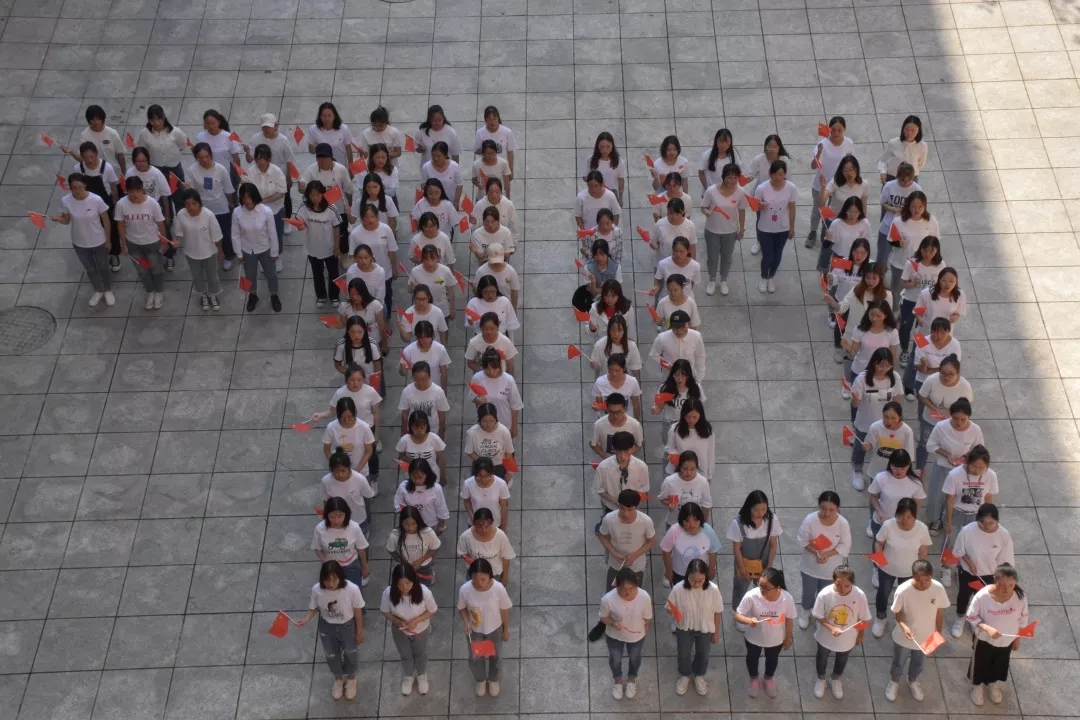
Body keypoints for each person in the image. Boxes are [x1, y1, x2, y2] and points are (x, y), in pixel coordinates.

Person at [295, 561, 364, 701]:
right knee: (331, 654)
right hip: (327, 626)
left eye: (334, 579)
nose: (330, 584)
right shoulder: (317, 590)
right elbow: (313, 608)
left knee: (350, 652)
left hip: (347, 626)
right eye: (327, 580)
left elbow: (358, 613)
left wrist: (359, 631)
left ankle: (351, 678)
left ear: (340, 577)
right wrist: (305, 619)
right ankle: (338, 679)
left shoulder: (352, 589)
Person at [886, 559, 948, 703]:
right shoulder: (903, 590)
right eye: (919, 580)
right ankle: (894, 682)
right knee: (898, 662)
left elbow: (939, 612)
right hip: (904, 636)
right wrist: (904, 626)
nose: (923, 584)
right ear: (913, 576)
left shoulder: (938, 588)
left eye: (927, 580)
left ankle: (912, 680)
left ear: (931, 576)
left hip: (927, 636)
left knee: (919, 663)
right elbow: (896, 612)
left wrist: (938, 634)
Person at [965, 564, 1028, 706]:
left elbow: (1022, 619)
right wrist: (986, 628)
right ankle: (976, 686)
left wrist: (1017, 639)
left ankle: (992, 683)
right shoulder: (982, 596)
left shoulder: (1020, 597)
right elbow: (971, 616)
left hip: (1007, 640)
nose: (1006, 590)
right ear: (995, 581)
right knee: (980, 663)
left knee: (999, 664)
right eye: (1002, 585)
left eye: (1011, 585)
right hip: (984, 640)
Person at [950, 503, 1015, 638]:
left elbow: (1006, 561)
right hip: (968, 572)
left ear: (997, 520)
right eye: (982, 522)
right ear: (977, 519)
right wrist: (969, 562)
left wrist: (1000, 579)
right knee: (963, 596)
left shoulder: (1003, 535)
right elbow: (958, 550)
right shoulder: (967, 531)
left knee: (983, 599)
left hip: (990, 575)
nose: (987, 526)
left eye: (991, 523)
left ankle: (975, 620)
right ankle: (960, 618)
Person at [733, 567, 796, 699]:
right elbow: (737, 615)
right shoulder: (752, 595)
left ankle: (768, 679)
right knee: (752, 658)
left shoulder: (787, 598)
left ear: (777, 588)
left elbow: (789, 619)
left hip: (776, 639)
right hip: (753, 638)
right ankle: (754, 679)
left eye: (766, 588)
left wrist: (788, 637)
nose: (762, 590)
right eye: (760, 586)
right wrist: (748, 620)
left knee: (772, 659)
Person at [53, 173, 114, 307]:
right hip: (79, 242)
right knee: (90, 268)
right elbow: (67, 220)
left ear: (85, 185)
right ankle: (98, 290)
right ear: (70, 188)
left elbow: (106, 221)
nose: (77, 191)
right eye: (74, 188)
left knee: (103, 267)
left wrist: (108, 240)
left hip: (98, 240)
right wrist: (58, 219)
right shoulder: (66, 201)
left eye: (80, 187)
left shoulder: (96, 200)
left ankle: (108, 290)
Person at [811, 565, 872, 699]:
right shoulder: (825, 594)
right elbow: (818, 615)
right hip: (825, 636)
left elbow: (863, 618)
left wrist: (860, 635)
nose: (842, 589)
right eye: (838, 584)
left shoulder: (860, 595)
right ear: (833, 580)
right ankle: (821, 679)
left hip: (848, 638)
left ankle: (835, 679)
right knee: (822, 657)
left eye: (846, 586)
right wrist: (831, 627)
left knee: (842, 659)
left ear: (852, 583)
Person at [872, 497, 930, 637]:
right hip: (887, 569)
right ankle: (880, 618)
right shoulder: (888, 525)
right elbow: (879, 542)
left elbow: (923, 551)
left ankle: (901, 620)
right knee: (883, 594)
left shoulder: (922, 529)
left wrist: (922, 571)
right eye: (900, 516)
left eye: (909, 517)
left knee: (906, 597)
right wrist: (878, 557)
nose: (904, 520)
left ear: (914, 516)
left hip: (909, 571)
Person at [942, 445, 999, 586]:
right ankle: (946, 568)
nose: (977, 471)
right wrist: (948, 521)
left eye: (982, 467)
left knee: (971, 544)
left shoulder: (990, 476)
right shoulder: (955, 475)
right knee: (951, 542)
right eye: (974, 466)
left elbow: (989, 497)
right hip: (957, 512)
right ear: (967, 461)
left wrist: (990, 519)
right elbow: (949, 500)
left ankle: (961, 568)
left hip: (977, 515)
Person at [925, 398, 984, 534]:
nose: (959, 423)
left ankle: (952, 519)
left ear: (969, 417)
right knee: (937, 494)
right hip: (943, 466)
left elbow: (979, 448)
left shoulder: (975, 430)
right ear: (950, 415)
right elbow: (931, 445)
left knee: (957, 496)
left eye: (963, 419)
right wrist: (946, 454)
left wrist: (966, 457)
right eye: (955, 418)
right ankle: (935, 520)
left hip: (963, 469)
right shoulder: (941, 427)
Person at [666, 557, 723, 696]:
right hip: (684, 627)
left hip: (705, 627)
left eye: (700, 580)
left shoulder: (713, 590)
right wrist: (673, 611)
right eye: (692, 580)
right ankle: (685, 675)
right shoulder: (678, 589)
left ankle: (699, 675)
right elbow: (669, 607)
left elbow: (717, 611)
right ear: (687, 576)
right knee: (683, 653)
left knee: (703, 653)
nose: (696, 584)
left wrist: (716, 631)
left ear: (706, 577)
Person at [796, 491, 852, 629]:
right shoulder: (810, 520)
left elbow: (845, 545)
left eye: (831, 510)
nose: (826, 513)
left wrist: (828, 553)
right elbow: (802, 540)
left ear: (837, 508)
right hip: (810, 566)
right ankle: (806, 611)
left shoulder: (842, 523)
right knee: (808, 592)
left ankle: (820, 615)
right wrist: (815, 552)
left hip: (832, 568)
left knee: (825, 593)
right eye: (823, 509)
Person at [458, 557, 513, 697]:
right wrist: (466, 621)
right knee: (477, 657)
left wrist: (505, 630)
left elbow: (504, 610)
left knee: (496, 656)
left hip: (494, 629)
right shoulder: (465, 590)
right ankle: (481, 680)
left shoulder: (498, 589)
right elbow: (462, 608)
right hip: (475, 630)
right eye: (475, 579)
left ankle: (493, 679)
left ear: (490, 575)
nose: (479, 583)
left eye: (483, 579)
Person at [381, 563, 438, 696]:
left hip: (421, 630)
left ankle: (421, 675)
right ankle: (409, 675)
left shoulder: (424, 592)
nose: (405, 587)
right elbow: (385, 611)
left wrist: (417, 620)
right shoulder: (388, 593)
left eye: (408, 583)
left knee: (421, 653)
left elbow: (432, 610)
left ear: (414, 580)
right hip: (400, 630)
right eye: (400, 584)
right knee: (405, 654)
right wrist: (397, 621)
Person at [849, 348, 903, 486]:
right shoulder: (862, 379)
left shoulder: (895, 377)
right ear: (874, 363)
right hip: (865, 422)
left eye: (887, 365)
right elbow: (855, 405)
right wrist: (855, 398)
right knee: (860, 447)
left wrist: (896, 421)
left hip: (887, 423)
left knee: (883, 449)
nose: (883, 369)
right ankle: (857, 470)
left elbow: (897, 400)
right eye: (880, 365)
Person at [824, 262, 892, 370]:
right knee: (851, 368)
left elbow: (887, 318)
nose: (870, 281)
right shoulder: (857, 289)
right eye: (868, 278)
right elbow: (842, 307)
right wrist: (834, 303)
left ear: (881, 277)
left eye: (874, 278)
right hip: (853, 337)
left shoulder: (887, 295)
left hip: (874, 341)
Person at [598, 567, 652, 700]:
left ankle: (632, 679)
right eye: (623, 589)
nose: (627, 592)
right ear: (617, 586)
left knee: (634, 657)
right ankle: (618, 681)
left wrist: (646, 627)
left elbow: (647, 617)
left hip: (636, 636)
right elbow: (603, 617)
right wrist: (612, 623)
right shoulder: (608, 599)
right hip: (614, 636)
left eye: (631, 588)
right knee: (615, 659)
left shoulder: (644, 597)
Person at [114, 176, 168, 310]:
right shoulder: (121, 204)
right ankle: (150, 292)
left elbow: (160, 223)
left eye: (137, 191)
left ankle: (159, 292)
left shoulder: (152, 204)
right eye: (131, 192)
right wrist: (123, 244)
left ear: (142, 190)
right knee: (142, 271)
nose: (134, 195)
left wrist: (164, 242)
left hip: (152, 242)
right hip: (133, 244)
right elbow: (120, 225)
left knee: (156, 269)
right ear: (126, 191)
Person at [728, 490, 782, 618]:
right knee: (740, 589)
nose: (761, 513)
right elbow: (737, 548)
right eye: (756, 510)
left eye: (764, 509)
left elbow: (773, 544)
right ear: (749, 507)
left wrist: (769, 565)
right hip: (744, 562)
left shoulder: (772, 520)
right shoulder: (738, 523)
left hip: (763, 562)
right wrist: (742, 569)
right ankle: (739, 614)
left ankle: (760, 611)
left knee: (764, 588)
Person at [185, 142, 236, 269]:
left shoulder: (221, 169)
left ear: (211, 155)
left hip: (221, 207)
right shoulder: (192, 170)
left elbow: (228, 189)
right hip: (202, 208)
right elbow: (191, 191)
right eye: (200, 158)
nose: (204, 160)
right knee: (206, 234)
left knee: (225, 233)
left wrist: (231, 205)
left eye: (206, 157)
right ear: (196, 157)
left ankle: (229, 256)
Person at [916, 355, 971, 471]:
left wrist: (951, 413)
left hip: (952, 423)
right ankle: (919, 468)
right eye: (943, 373)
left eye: (951, 374)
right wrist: (934, 408)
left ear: (958, 373)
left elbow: (966, 406)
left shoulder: (965, 386)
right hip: (930, 419)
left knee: (949, 446)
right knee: (924, 444)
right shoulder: (931, 380)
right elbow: (922, 396)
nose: (946, 377)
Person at [300, 143, 355, 260]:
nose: (322, 160)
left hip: (339, 208)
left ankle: (344, 253)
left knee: (342, 233)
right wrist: (301, 187)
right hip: (319, 209)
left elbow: (348, 189)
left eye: (325, 157)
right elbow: (303, 188)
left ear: (331, 157)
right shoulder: (311, 170)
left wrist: (349, 205)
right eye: (319, 157)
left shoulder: (341, 169)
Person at [700, 162, 747, 295]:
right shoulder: (711, 191)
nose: (732, 181)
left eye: (735, 178)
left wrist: (741, 229)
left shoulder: (741, 192)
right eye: (729, 177)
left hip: (730, 232)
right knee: (712, 257)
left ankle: (723, 280)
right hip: (712, 230)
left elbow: (742, 211)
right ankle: (712, 279)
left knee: (727, 257)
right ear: (723, 177)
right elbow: (703, 207)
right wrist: (706, 212)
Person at [752, 159, 799, 293]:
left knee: (777, 254)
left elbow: (792, 208)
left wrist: (792, 228)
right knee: (767, 255)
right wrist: (760, 206)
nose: (777, 177)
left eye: (781, 174)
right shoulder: (762, 188)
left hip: (782, 228)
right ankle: (763, 276)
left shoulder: (791, 188)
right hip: (765, 228)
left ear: (785, 174)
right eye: (775, 174)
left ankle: (771, 276)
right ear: (769, 174)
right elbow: (754, 207)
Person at [74, 141, 121, 270]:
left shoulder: (107, 168)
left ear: (97, 154)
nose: (89, 160)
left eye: (92, 157)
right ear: (81, 157)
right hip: (87, 204)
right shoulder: (78, 168)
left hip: (106, 203)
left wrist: (116, 204)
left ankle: (114, 255)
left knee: (111, 229)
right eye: (86, 158)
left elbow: (113, 187)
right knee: (94, 229)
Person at [808, 116, 854, 248]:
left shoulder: (849, 143)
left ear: (844, 129)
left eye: (839, 130)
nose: (836, 133)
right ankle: (812, 232)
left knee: (831, 212)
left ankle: (826, 234)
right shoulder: (822, 144)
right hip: (820, 184)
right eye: (833, 130)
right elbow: (813, 166)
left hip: (838, 185)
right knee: (817, 211)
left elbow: (850, 162)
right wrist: (819, 152)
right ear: (829, 129)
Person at [173, 189, 222, 311]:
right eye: (187, 204)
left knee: (212, 275)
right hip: (191, 252)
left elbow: (217, 235)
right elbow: (179, 232)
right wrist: (177, 241)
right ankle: (203, 295)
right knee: (197, 276)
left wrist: (220, 251)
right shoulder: (181, 215)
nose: (191, 207)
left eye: (194, 204)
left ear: (200, 203)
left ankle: (213, 294)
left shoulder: (209, 215)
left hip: (209, 252)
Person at [596, 488, 656, 588]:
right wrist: (614, 553)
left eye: (630, 510)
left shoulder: (646, 521)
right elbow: (602, 536)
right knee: (612, 591)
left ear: (636, 507)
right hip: (615, 564)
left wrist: (635, 555)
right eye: (622, 508)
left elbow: (652, 541)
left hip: (637, 565)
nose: (625, 513)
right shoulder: (609, 519)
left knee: (634, 592)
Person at [295, 180, 342, 308]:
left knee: (333, 273)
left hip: (329, 248)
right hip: (313, 248)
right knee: (317, 273)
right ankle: (321, 296)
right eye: (312, 195)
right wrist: (300, 226)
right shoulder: (304, 208)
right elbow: (300, 223)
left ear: (323, 194)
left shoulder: (331, 208)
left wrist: (337, 247)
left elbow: (337, 227)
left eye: (317, 194)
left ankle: (334, 296)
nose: (315, 198)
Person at [593, 431, 650, 528]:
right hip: (611, 506)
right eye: (619, 451)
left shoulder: (641, 467)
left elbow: (644, 488)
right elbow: (599, 489)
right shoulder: (603, 467)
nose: (622, 456)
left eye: (626, 451)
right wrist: (616, 502)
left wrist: (630, 504)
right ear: (614, 449)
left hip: (632, 507)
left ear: (633, 449)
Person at [321, 401, 376, 502]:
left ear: (355, 413)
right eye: (342, 417)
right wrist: (336, 465)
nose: (346, 420)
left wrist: (357, 470)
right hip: (339, 472)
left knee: (363, 501)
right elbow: (326, 449)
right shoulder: (331, 427)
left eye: (350, 417)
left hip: (361, 470)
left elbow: (369, 451)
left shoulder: (364, 427)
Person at [246, 144, 288, 271]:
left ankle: (277, 256)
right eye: (258, 159)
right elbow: (247, 189)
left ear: (269, 159)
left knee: (276, 235)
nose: (261, 162)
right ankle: (263, 258)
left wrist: (263, 201)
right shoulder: (250, 172)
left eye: (264, 159)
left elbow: (281, 191)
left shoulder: (276, 171)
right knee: (261, 236)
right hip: (256, 211)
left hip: (275, 210)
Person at [746, 134, 790, 255]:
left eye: (774, 146)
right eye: (769, 146)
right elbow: (751, 175)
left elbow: (787, 178)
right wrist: (745, 179)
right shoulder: (758, 159)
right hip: (761, 195)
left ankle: (773, 239)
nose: (771, 149)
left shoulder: (784, 160)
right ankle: (759, 241)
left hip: (778, 195)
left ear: (779, 147)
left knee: (775, 218)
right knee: (760, 219)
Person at [312, 496, 370, 588]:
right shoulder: (320, 529)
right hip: (331, 568)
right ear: (327, 515)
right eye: (332, 517)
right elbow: (317, 548)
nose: (336, 520)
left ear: (346, 514)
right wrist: (325, 562)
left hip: (351, 566)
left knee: (354, 590)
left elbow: (361, 548)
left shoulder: (354, 527)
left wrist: (364, 567)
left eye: (340, 516)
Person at [660, 502, 721, 587]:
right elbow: (666, 551)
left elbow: (713, 551)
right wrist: (669, 572)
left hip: (700, 574)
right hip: (680, 574)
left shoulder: (708, 531)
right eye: (687, 521)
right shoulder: (674, 530)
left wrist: (710, 571)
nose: (692, 525)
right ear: (682, 520)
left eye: (695, 520)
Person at [469, 349, 524, 439]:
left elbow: (515, 406)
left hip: (504, 424)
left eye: (494, 368)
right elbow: (472, 396)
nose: (491, 372)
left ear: (499, 365)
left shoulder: (508, 380)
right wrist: (477, 400)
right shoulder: (477, 378)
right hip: (485, 425)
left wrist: (514, 427)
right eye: (487, 369)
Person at [876, 162, 921, 273]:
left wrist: (906, 211)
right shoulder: (889, 186)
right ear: (897, 176)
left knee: (902, 259)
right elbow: (883, 202)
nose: (905, 183)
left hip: (906, 229)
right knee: (882, 255)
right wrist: (891, 208)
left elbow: (920, 209)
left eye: (908, 180)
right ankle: (880, 275)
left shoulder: (917, 189)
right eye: (902, 180)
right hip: (888, 225)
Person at [860, 400, 915, 488]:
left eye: (893, 418)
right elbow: (870, 445)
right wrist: (867, 446)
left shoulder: (907, 431)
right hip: (877, 470)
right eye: (886, 417)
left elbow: (909, 456)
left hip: (895, 474)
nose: (889, 421)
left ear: (900, 417)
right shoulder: (875, 427)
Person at [457, 507, 516, 584]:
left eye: (487, 526)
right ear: (474, 523)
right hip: (475, 574)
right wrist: (474, 563)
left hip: (495, 574)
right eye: (480, 526)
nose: (483, 530)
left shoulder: (500, 536)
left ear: (491, 523)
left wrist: (505, 577)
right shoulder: (465, 537)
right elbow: (462, 553)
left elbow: (506, 557)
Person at [386, 506, 440, 585]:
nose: (410, 528)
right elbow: (391, 550)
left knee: (424, 587)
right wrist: (403, 562)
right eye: (406, 524)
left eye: (413, 524)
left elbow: (435, 548)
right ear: (401, 522)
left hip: (424, 566)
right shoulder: (395, 534)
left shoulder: (427, 532)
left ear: (418, 521)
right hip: (404, 568)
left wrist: (420, 561)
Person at [657, 452, 713, 527]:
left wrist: (701, 525)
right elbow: (662, 498)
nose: (689, 472)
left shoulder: (703, 482)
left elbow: (706, 506)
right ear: (680, 466)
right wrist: (669, 504)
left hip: (694, 525)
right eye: (685, 469)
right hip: (674, 523)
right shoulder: (669, 481)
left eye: (692, 469)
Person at [394, 458, 449, 534]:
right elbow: (399, 505)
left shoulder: (436, 489)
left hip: (430, 524)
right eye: (414, 477)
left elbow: (441, 509)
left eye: (420, 477)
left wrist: (441, 526)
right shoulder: (403, 487)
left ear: (427, 474)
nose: (417, 481)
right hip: (411, 526)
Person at [649, 311, 707, 380]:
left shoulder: (696, 336)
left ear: (688, 324)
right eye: (675, 327)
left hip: (690, 377)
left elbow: (700, 356)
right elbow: (654, 355)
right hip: (669, 377)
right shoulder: (662, 338)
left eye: (682, 327)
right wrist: (668, 365)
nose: (679, 331)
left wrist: (699, 378)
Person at [398, 361, 450, 438]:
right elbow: (404, 415)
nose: (421, 383)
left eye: (424, 379)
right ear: (413, 377)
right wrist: (404, 433)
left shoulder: (438, 391)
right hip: (414, 431)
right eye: (418, 379)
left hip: (432, 431)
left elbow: (442, 416)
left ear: (429, 376)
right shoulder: (407, 391)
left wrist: (441, 435)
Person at [396, 410, 447, 484]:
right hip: (413, 477)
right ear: (411, 426)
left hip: (432, 475)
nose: (419, 431)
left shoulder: (434, 438)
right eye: (416, 428)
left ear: (427, 426)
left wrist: (443, 476)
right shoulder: (404, 440)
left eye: (422, 427)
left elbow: (441, 458)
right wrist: (411, 462)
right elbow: (401, 455)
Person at [466, 404, 516, 479]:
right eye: (484, 421)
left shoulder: (504, 431)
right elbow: (469, 452)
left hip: (499, 467)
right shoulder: (472, 432)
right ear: (479, 419)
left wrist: (508, 472)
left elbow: (509, 453)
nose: (488, 425)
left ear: (496, 419)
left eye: (491, 421)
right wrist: (483, 463)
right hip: (480, 467)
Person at [878, 115, 929, 188]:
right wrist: (883, 172)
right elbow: (883, 160)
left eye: (913, 131)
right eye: (906, 130)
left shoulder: (922, 146)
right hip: (892, 177)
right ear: (903, 129)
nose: (909, 133)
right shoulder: (893, 143)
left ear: (918, 130)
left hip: (911, 180)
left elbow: (920, 163)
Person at [460, 457, 511, 530]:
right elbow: (467, 501)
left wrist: (503, 526)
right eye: (479, 476)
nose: (483, 479)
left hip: (495, 524)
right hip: (476, 524)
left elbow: (504, 506)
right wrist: (473, 518)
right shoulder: (468, 484)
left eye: (487, 476)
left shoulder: (501, 484)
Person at [400, 321, 451, 389]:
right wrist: (402, 369)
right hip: (415, 389)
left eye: (427, 337)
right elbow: (403, 373)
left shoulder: (440, 349)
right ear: (417, 337)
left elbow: (444, 373)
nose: (425, 340)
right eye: (422, 338)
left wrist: (443, 392)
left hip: (434, 389)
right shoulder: (408, 351)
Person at [591, 393, 643, 458]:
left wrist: (626, 456)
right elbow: (593, 444)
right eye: (611, 412)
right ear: (607, 410)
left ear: (624, 409)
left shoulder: (635, 424)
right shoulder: (598, 425)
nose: (615, 416)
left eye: (618, 412)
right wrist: (606, 457)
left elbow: (639, 444)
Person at [590, 314, 642, 380]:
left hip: (624, 382)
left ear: (624, 331)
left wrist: (636, 384)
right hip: (605, 382)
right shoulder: (600, 344)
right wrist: (594, 365)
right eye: (613, 330)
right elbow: (597, 369)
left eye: (620, 330)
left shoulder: (631, 346)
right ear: (609, 330)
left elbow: (635, 369)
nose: (616, 334)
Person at [593, 354, 642, 419]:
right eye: (611, 370)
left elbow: (636, 405)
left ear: (624, 368)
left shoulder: (632, 382)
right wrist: (597, 407)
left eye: (617, 371)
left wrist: (636, 421)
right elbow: (598, 403)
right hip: (607, 419)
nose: (614, 373)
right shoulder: (600, 382)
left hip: (626, 419)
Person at [308, 101, 356, 168]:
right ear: (320, 117)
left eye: (329, 116)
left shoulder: (343, 128)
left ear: (334, 116)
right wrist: (319, 148)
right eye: (324, 116)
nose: (326, 119)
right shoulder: (313, 129)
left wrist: (351, 166)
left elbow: (348, 148)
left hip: (341, 166)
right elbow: (311, 151)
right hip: (323, 167)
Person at [334, 315, 383, 380]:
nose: (356, 335)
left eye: (359, 332)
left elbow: (377, 367)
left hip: (369, 381)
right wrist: (351, 375)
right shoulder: (341, 345)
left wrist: (375, 381)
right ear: (348, 331)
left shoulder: (372, 345)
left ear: (364, 331)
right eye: (353, 332)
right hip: (351, 382)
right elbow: (338, 365)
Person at [473, 106, 518, 175]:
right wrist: (485, 148)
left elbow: (510, 153)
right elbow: (477, 151)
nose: (492, 122)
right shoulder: (480, 133)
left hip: (503, 169)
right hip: (486, 169)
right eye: (489, 119)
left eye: (494, 119)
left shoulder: (507, 132)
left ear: (498, 118)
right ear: (485, 120)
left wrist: (511, 170)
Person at [584, 131, 625, 202]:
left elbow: (621, 179)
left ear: (612, 145)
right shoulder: (590, 159)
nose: (605, 150)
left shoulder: (618, 160)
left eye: (608, 146)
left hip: (612, 193)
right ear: (597, 146)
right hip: (595, 193)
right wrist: (596, 182)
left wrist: (620, 197)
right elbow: (585, 177)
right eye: (602, 147)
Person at [421, 141, 464, 209]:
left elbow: (459, 185)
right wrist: (432, 192)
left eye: (439, 156)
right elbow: (423, 184)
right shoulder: (426, 167)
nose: (436, 158)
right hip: (432, 203)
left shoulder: (454, 166)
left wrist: (456, 201)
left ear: (445, 155)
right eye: (433, 155)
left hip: (450, 202)